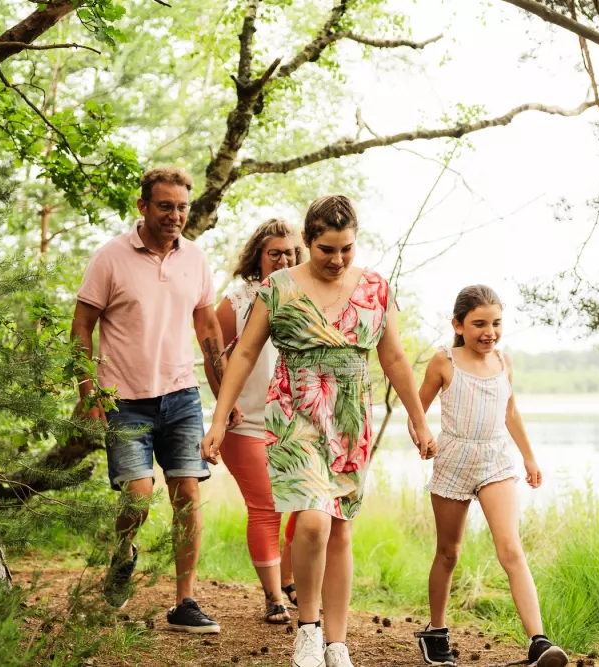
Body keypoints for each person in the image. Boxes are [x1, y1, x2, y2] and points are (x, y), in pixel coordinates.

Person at [201, 195, 436, 667]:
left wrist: (418, 417)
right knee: (311, 520)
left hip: (350, 415)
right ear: (308, 242)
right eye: (326, 249)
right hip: (295, 410)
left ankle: (337, 641)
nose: (337, 259)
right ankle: (307, 630)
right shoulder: (279, 287)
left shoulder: (375, 288)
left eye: (346, 249)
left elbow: (392, 357)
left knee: (341, 529)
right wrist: (218, 419)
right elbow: (244, 354)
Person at [71, 167, 240, 634]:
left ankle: (185, 600)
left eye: (182, 206)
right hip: (124, 399)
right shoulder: (110, 257)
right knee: (138, 497)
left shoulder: (195, 259)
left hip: (181, 395)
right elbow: (82, 326)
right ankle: (123, 553)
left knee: (187, 493)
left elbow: (208, 330)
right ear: (143, 206)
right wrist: (89, 392)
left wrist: (224, 393)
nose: (175, 215)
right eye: (165, 205)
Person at [409, 285, 568, 667]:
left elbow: (510, 413)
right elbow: (418, 412)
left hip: (496, 459)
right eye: (479, 323)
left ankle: (539, 642)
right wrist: (423, 437)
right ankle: (436, 632)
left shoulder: (504, 362)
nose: (489, 332)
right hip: (453, 459)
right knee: (449, 553)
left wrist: (529, 457)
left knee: (511, 549)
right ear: (458, 325)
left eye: (496, 323)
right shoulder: (443, 361)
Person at [205, 218, 303, 625]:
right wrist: (223, 403)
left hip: (296, 423)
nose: (284, 259)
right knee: (265, 506)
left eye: (292, 252)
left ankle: (290, 578)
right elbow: (213, 349)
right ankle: (273, 595)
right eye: (275, 252)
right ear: (259, 257)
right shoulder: (239, 300)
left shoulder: (307, 296)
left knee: (302, 503)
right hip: (246, 423)